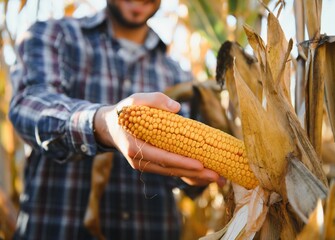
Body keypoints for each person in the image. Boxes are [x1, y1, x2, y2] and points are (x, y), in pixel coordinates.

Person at [8, 0, 222, 239]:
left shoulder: (179, 75)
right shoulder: (52, 35)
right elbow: (29, 106)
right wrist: (104, 124)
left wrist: (196, 173)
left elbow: (186, 183)